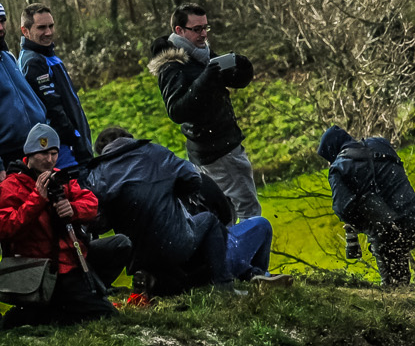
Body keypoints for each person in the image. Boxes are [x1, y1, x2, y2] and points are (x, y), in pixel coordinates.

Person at [82, 125, 284, 293]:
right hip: (177, 243)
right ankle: (229, 285)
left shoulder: (97, 173)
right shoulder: (154, 153)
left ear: (101, 151)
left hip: (138, 257)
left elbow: (96, 220)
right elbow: (193, 179)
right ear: (130, 139)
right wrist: (171, 191)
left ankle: (248, 274)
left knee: (187, 263)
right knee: (219, 223)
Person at [148, 4, 262, 221]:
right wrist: (205, 80)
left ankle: (228, 252)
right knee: (249, 213)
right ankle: (247, 254)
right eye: (197, 29)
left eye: (206, 27)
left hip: (217, 146)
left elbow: (231, 80)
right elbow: (176, 111)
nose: (204, 34)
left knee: (223, 215)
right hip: (217, 150)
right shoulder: (172, 65)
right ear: (179, 30)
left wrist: (243, 68)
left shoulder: (200, 53)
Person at [0, 124, 117, 328]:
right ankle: (41, 313)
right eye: (43, 153)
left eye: (54, 153)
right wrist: (37, 198)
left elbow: (91, 203)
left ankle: (49, 312)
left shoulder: (61, 178)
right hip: (39, 269)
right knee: (105, 314)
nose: (49, 159)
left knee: (120, 245)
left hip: (71, 261)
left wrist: (72, 209)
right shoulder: (11, 186)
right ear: (29, 154)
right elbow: (6, 228)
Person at [319, 126, 415, 288]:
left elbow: (342, 208)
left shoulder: (338, 168)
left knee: (397, 291)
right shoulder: (381, 144)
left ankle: (405, 302)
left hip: (387, 238)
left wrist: (361, 226)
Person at [16, 4, 93, 170]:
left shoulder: (47, 55)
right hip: (65, 151)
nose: (49, 32)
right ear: (25, 31)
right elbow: (53, 109)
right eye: (41, 28)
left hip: (73, 145)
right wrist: (75, 137)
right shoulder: (33, 61)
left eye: (51, 26)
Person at [1, 29, 48, 173]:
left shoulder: (7, 57)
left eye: (3, 21)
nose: (1, 27)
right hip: (9, 155)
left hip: (35, 147)